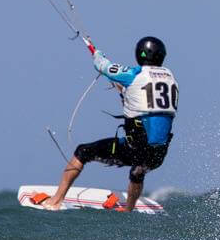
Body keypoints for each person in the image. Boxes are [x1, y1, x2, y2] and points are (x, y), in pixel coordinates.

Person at [36, 36, 178, 212]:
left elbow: (103, 66)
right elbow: (142, 100)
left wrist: (97, 55)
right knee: (138, 170)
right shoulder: (170, 79)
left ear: (140, 54)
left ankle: (55, 201)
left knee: (83, 151)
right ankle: (128, 210)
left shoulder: (135, 74)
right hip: (158, 156)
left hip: (134, 149)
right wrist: (122, 89)